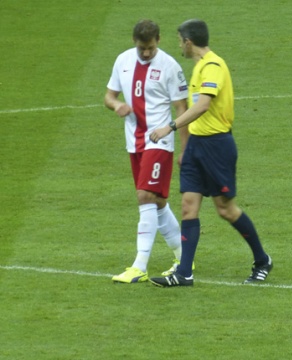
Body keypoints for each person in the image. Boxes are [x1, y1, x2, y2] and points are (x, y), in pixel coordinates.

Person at [148, 19, 273, 287]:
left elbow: (203, 105)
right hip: (197, 146)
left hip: (217, 146)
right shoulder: (199, 68)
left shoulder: (213, 66)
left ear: (189, 42)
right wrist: (186, 149)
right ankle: (184, 273)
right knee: (188, 206)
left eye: (180, 40)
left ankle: (262, 260)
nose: (179, 45)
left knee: (225, 209)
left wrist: (169, 127)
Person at [104, 19, 189, 283]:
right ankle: (185, 257)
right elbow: (109, 96)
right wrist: (116, 105)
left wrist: (184, 149)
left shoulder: (169, 66)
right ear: (134, 43)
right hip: (134, 142)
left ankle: (139, 266)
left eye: (151, 47)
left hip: (159, 141)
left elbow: (182, 109)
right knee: (158, 202)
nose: (147, 53)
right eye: (142, 48)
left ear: (158, 41)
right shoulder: (123, 61)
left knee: (144, 196)